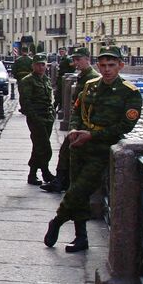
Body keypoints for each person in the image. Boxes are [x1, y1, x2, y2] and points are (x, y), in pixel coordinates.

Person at [44, 47, 142, 253]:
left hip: (101, 150)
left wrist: (93, 135)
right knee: (77, 190)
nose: (107, 70)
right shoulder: (90, 86)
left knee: (79, 190)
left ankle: (57, 220)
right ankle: (81, 237)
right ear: (98, 65)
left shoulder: (129, 92)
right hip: (79, 146)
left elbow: (125, 126)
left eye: (111, 65)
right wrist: (73, 129)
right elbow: (77, 111)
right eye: (103, 65)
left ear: (120, 66)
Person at [41, 47, 96, 193]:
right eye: (74, 60)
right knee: (66, 150)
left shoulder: (92, 78)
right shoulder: (83, 75)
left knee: (68, 150)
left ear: (87, 59)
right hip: (78, 123)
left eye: (79, 60)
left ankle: (62, 182)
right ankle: (61, 181)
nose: (75, 63)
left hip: (86, 125)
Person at [18, 53, 55, 185]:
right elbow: (25, 102)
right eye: (38, 64)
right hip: (36, 118)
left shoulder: (46, 79)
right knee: (45, 147)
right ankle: (45, 172)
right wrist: (34, 118)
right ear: (33, 65)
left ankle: (33, 174)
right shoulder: (27, 81)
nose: (41, 67)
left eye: (43, 64)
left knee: (38, 147)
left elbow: (49, 98)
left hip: (47, 117)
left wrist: (52, 113)